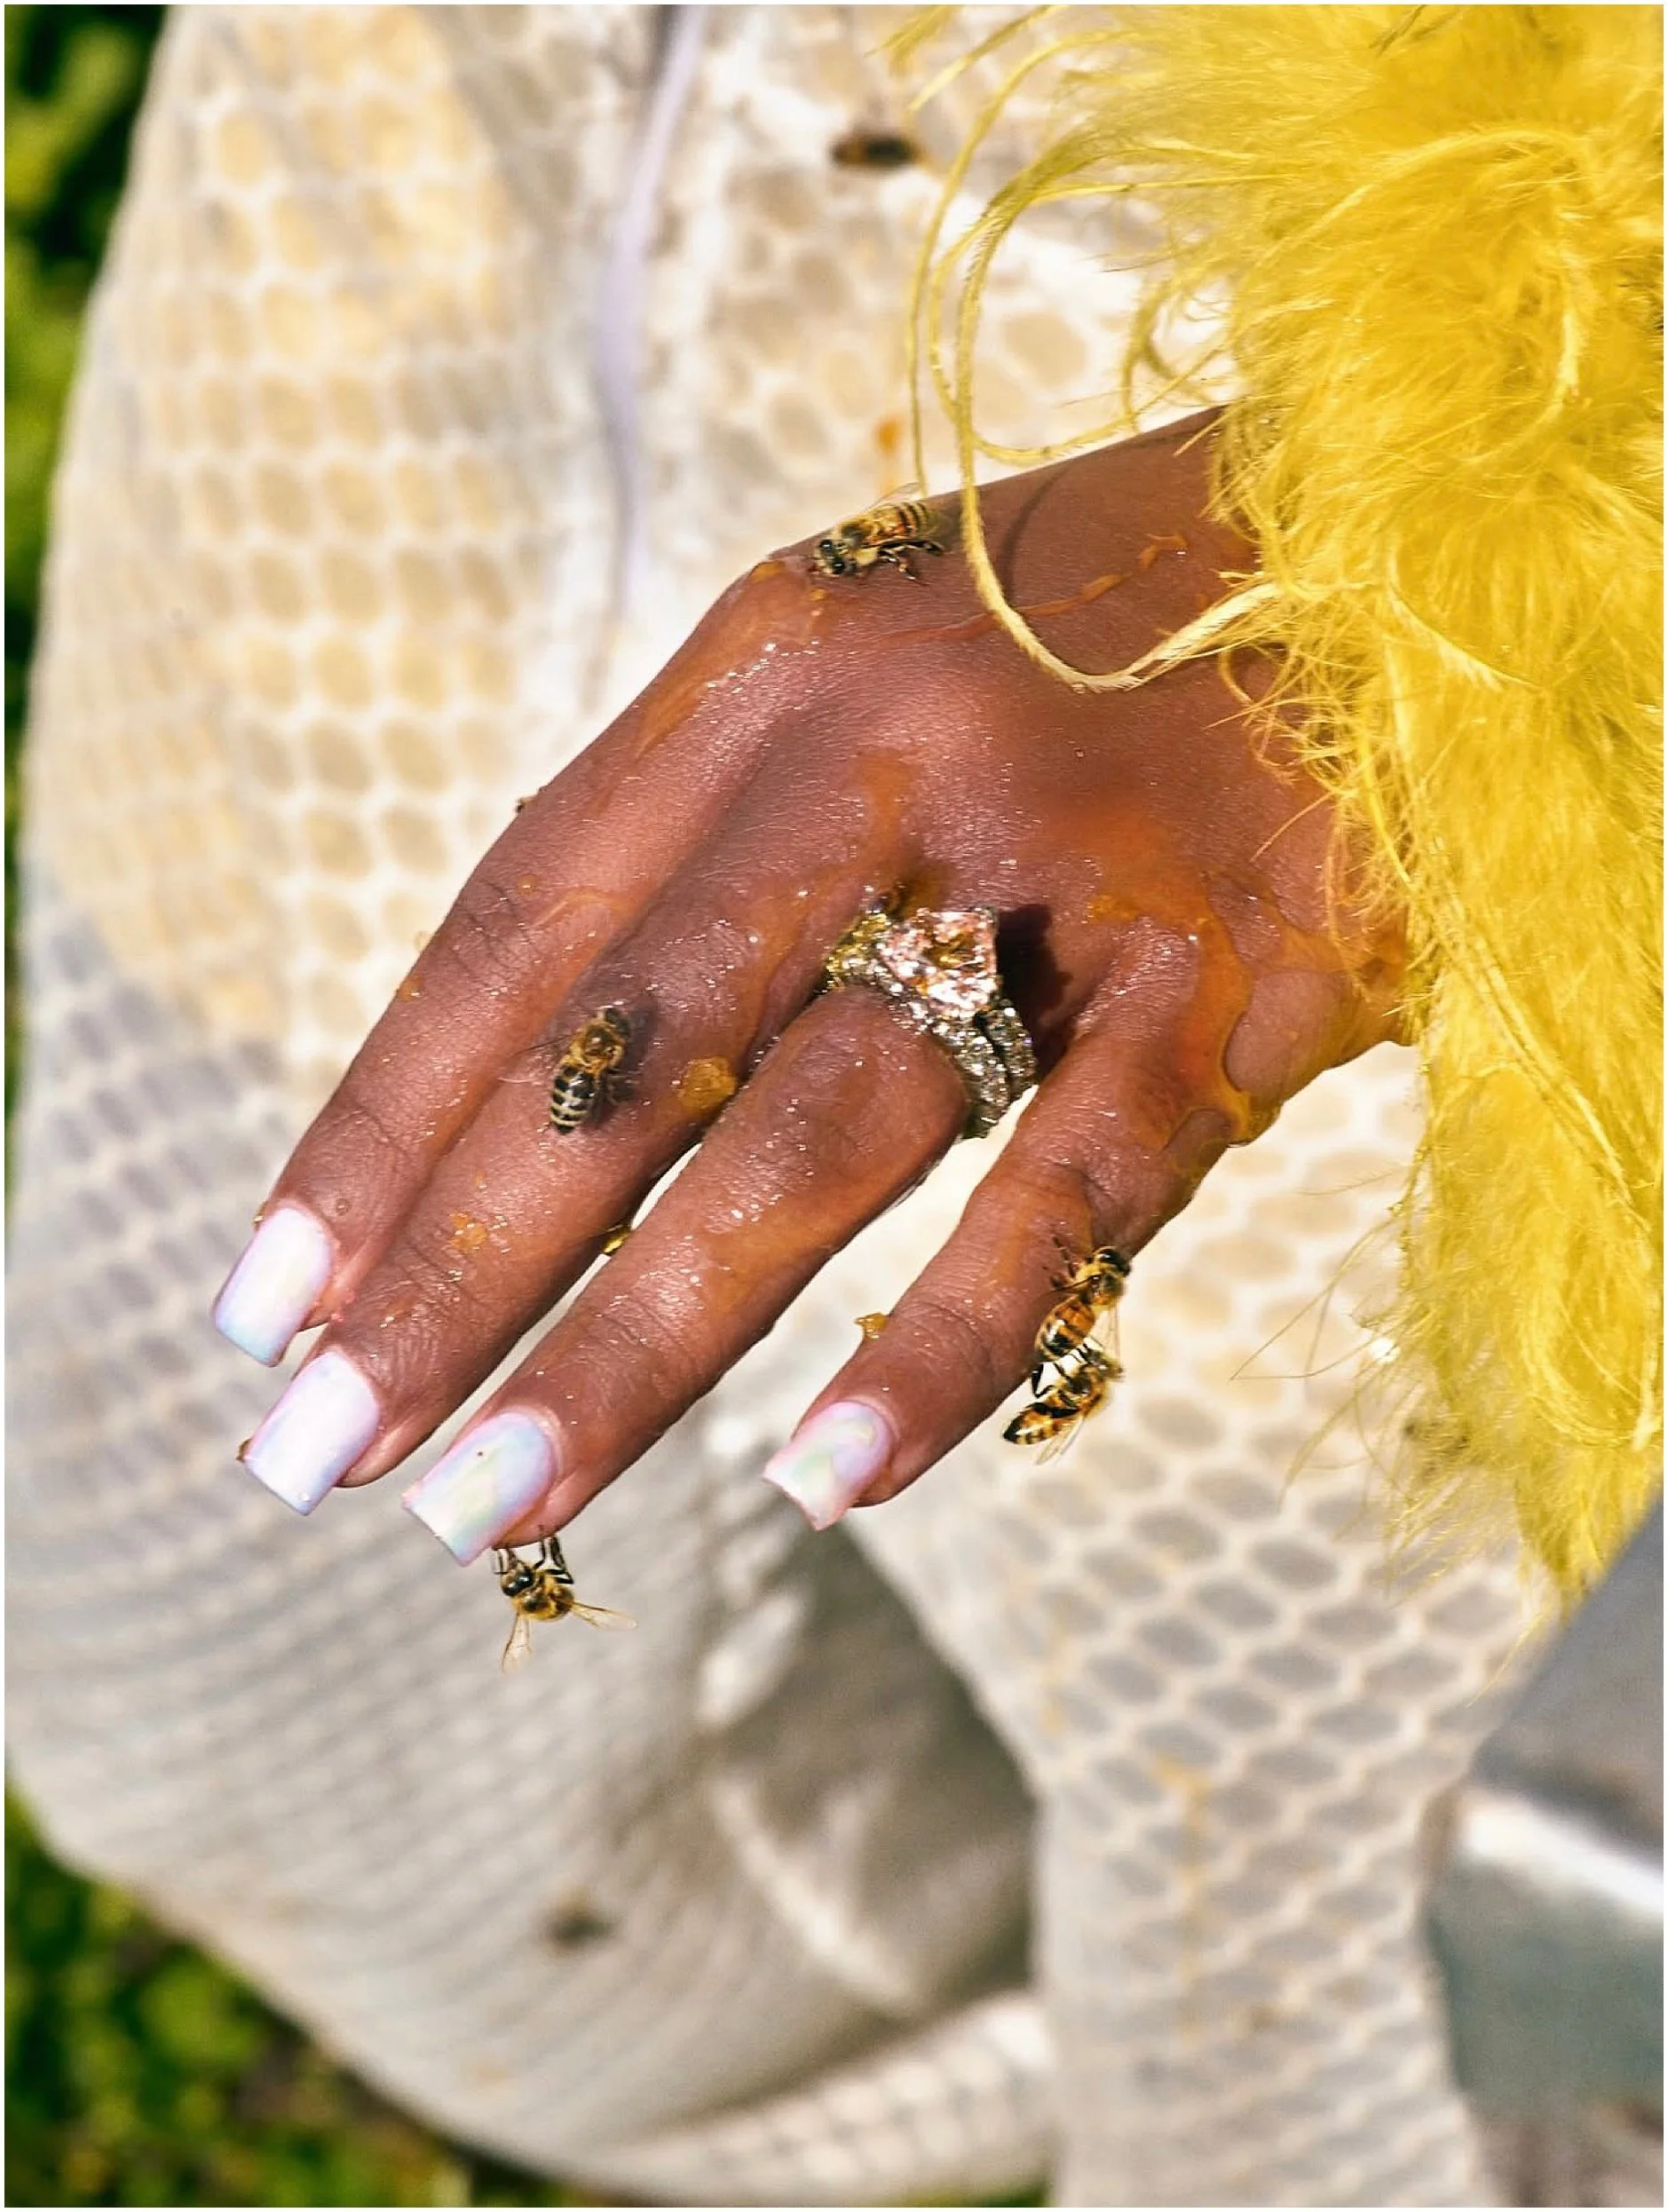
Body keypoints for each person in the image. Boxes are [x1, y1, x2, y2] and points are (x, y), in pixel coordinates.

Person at [11, 8, 1656, 2205]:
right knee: (222, 1710)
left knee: (1352, 2040)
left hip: (1389, 627)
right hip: (417, 197)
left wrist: (1456, 535)